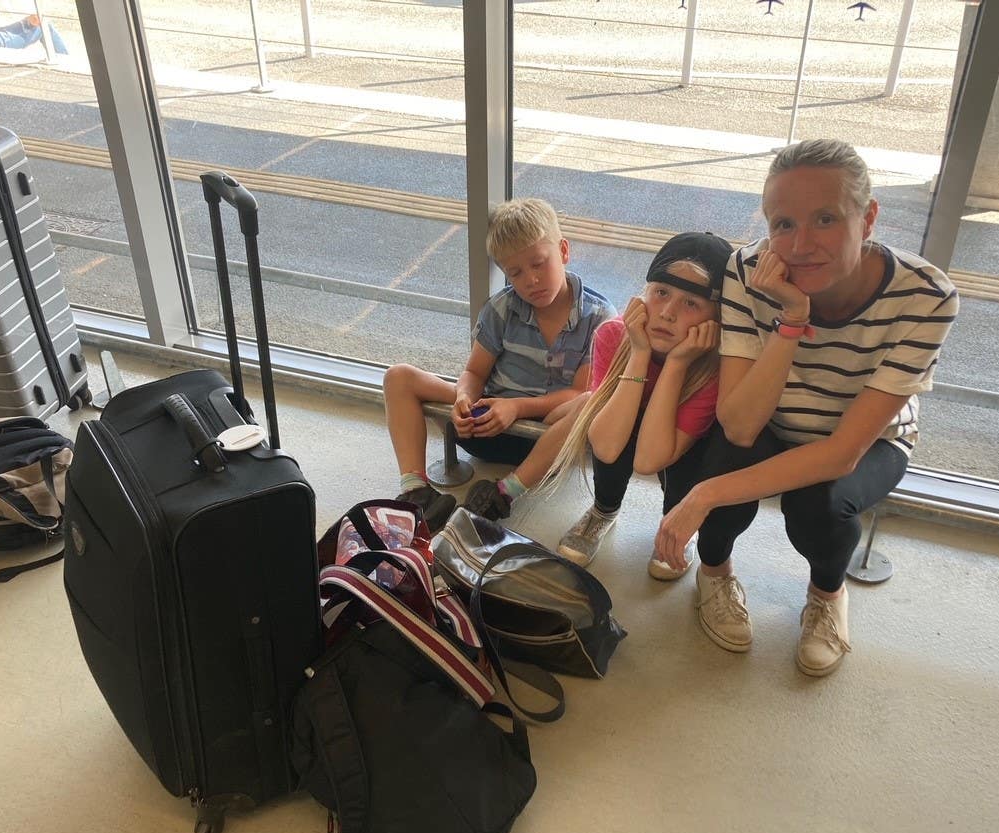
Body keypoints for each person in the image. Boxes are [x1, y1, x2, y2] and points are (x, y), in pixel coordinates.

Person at [653, 139, 959, 674]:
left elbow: (843, 453)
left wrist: (703, 496)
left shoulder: (926, 295)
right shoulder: (749, 271)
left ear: (868, 219)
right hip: (773, 416)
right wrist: (792, 320)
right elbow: (742, 425)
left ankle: (826, 596)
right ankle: (715, 573)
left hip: (867, 438)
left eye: (825, 219)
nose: (801, 245)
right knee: (718, 461)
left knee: (820, 505)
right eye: (783, 224)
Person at [382, 197, 615, 532]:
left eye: (539, 263)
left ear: (563, 251)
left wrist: (516, 407)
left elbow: (579, 392)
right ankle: (416, 490)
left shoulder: (599, 318)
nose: (531, 280)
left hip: (550, 437)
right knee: (398, 377)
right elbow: (475, 372)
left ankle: (503, 494)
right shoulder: (502, 308)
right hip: (487, 425)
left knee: (591, 401)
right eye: (515, 272)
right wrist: (464, 398)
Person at [538, 231, 732, 577]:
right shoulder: (613, 335)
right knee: (615, 423)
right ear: (644, 296)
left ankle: (676, 521)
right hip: (631, 418)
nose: (668, 313)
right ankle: (603, 509)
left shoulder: (714, 366)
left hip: (678, 440)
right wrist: (640, 352)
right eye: (661, 293)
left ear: (714, 320)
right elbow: (607, 445)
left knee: (690, 462)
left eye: (691, 303)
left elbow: (650, 460)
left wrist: (677, 364)